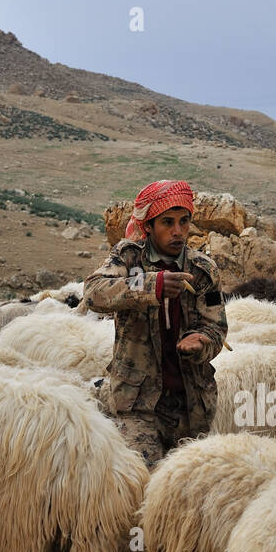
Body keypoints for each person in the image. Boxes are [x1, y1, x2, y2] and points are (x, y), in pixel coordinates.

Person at [84, 180, 226, 467]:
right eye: (167, 223)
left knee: (188, 485)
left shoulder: (202, 270)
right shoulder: (129, 257)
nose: (178, 231)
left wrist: (201, 342)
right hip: (137, 403)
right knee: (142, 476)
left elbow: (216, 326)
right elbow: (94, 293)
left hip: (191, 404)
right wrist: (151, 285)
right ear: (148, 226)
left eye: (184, 222)